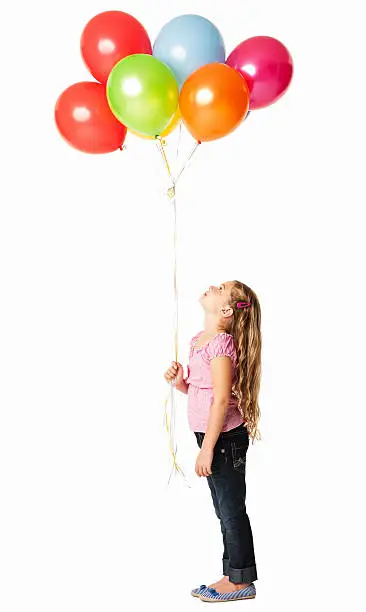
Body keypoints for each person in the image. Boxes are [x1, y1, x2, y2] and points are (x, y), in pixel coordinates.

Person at [164, 280, 262, 602]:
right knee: (224, 509)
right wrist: (181, 383)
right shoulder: (199, 341)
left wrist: (207, 450)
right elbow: (201, 392)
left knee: (231, 509)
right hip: (211, 438)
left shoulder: (220, 344)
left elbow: (221, 401)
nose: (211, 286)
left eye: (219, 288)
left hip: (223, 439)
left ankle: (240, 581)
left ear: (225, 310)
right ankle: (231, 575)